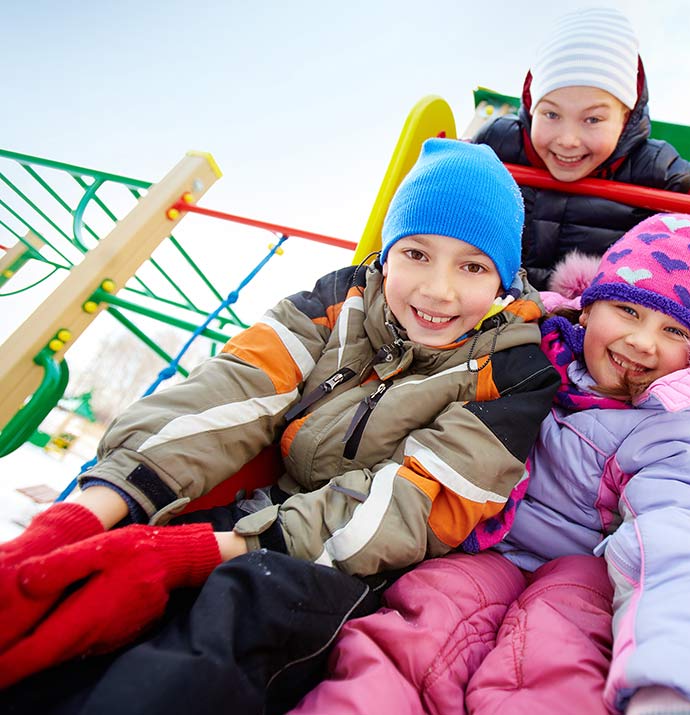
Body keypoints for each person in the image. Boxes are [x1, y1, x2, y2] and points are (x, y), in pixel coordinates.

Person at [0, 138, 561, 711]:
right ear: (385, 254)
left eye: (472, 266)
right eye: (416, 253)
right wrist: (85, 516)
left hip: (355, 566)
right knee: (84, 591)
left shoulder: (515, 373)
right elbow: (234, 391)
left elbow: (413, 506)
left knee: (238, 615)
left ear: (503, 282)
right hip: (255, 512)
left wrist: (203, 552)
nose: (438, 289)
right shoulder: (337, 304)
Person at [290, 213, 690, 715]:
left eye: (675, 329)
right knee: (420, 626)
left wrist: (687, 691)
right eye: (628, 311)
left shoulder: (677, 430)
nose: (643, 341)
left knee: (554, 660)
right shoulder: (524, 355)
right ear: (587, 311)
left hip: (581, 574)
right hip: (481, 549)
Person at [473, 6, 690, 328]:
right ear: (531, 105)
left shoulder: (657, 168)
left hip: (590, 331)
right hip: (493, 313)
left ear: (626, 116)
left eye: (593, 119)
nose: (568, 139)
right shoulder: (499, 146)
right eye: (551, 114)